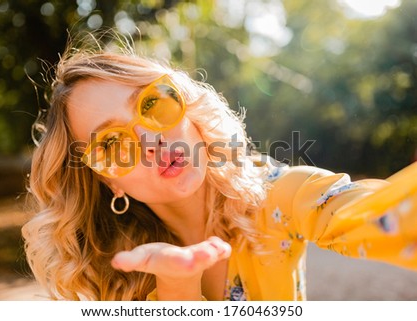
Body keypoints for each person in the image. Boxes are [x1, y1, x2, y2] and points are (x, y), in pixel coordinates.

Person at [22, 34, 417, 301]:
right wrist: (178, 286)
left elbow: (369, 211)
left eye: (153, 103)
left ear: (189, 109)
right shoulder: (117, 270)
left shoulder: (274, 195)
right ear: (109, 182)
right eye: (111, 144)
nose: (150, 142)